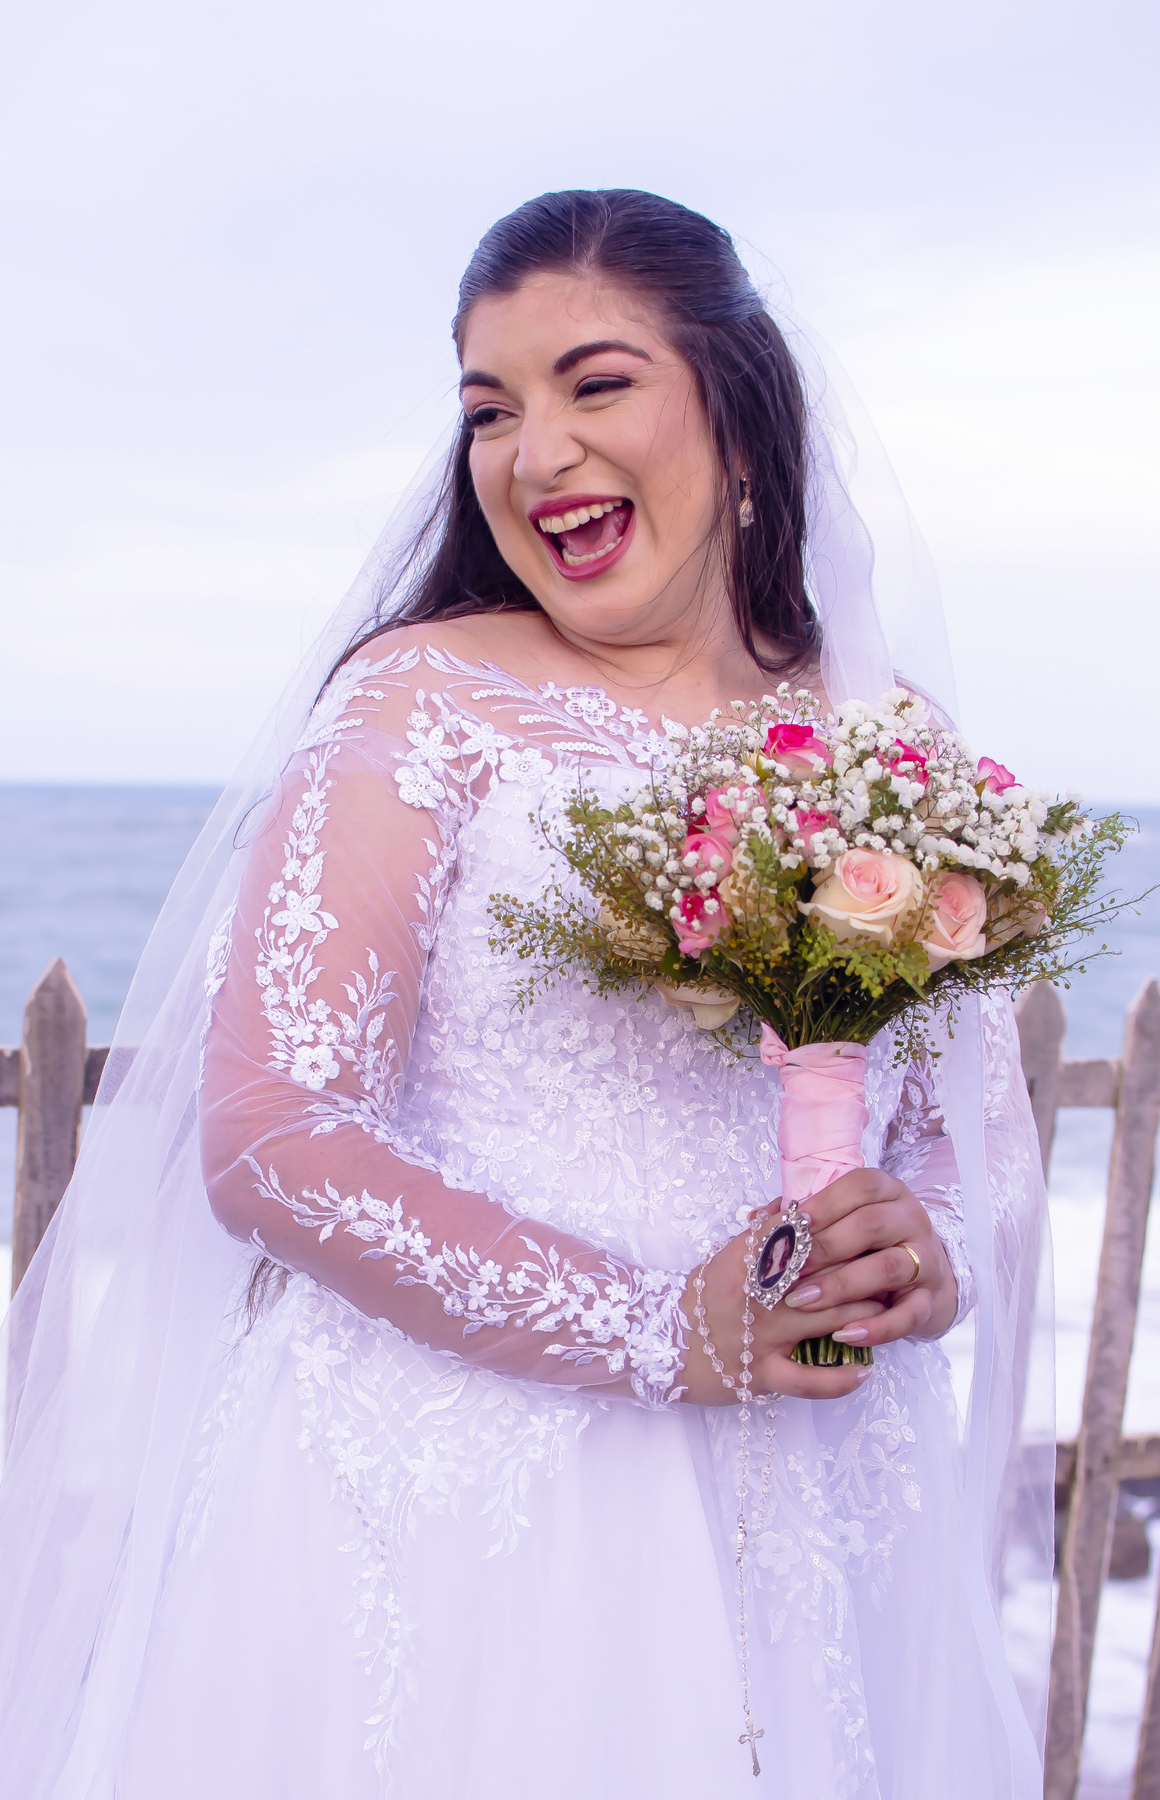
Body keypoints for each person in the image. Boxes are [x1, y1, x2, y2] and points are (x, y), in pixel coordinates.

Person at [0, 190, 1052, 1800]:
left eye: (594, 383)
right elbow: (272, 1131)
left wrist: (921, 1253)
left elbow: (963, 1138)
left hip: (818, 1506)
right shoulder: (426, 696)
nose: (532, 452)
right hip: (456, 1514)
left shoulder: (877, 733)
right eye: (489, 409)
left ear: (737, 408)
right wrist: (649, 1330)